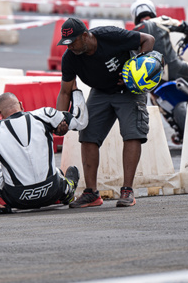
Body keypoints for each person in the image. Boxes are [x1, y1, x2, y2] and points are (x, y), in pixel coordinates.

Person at [55, 17, 155, 209]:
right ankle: (91, 193)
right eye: (66, 44)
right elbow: (65, 91)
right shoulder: (70, 58)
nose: (70, 47)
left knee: (132, 133)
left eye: (73, 42)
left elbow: (148, 39)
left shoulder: (111, 36)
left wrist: (137, 70)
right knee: (87, 135)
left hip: (128, 90)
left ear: (85, 36)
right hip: (100, 92)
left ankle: (127, 190)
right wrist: (59, 119)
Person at [0, 91, 87, 214]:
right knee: (64, 171)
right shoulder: (43, 115)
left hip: (17, 199)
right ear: (21, 105)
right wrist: (76, 91)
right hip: (52, 191)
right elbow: (80, 121)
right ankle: (66, 189)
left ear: (0, 114)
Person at [130, 0, 188, 103]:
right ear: (152, 10)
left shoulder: (132, 34)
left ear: (134, 15)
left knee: (153, 98)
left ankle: (169, 116)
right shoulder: (160, 20)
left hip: (153, 78)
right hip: (174, 67)